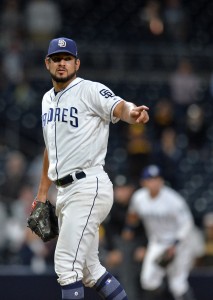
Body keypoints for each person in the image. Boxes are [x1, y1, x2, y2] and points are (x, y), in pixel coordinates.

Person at [34, 37, 149, 300]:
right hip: (64, 191)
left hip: (88, 186)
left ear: (77, 63)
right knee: (89, 270)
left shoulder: (90, 90)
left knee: (65, 265)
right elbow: (50, 147)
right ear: (47, 64)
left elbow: (119, 106)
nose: (61, 63)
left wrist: (133, 113)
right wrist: (42, 194)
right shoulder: (46, 100)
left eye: (67, 59)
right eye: (56, 59)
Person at [123, 165, 198, 300]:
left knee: (178, 285)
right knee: (148, 281)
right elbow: (133, 214)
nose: (154, 182)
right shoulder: (139, 197)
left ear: (161, 181)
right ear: (143, 182)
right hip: (157, 243)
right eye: (150, 179)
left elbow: (187, 223)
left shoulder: (173, 199)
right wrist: (129, 228)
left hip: (178, 244)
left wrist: (175, 244)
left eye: (157, 179)